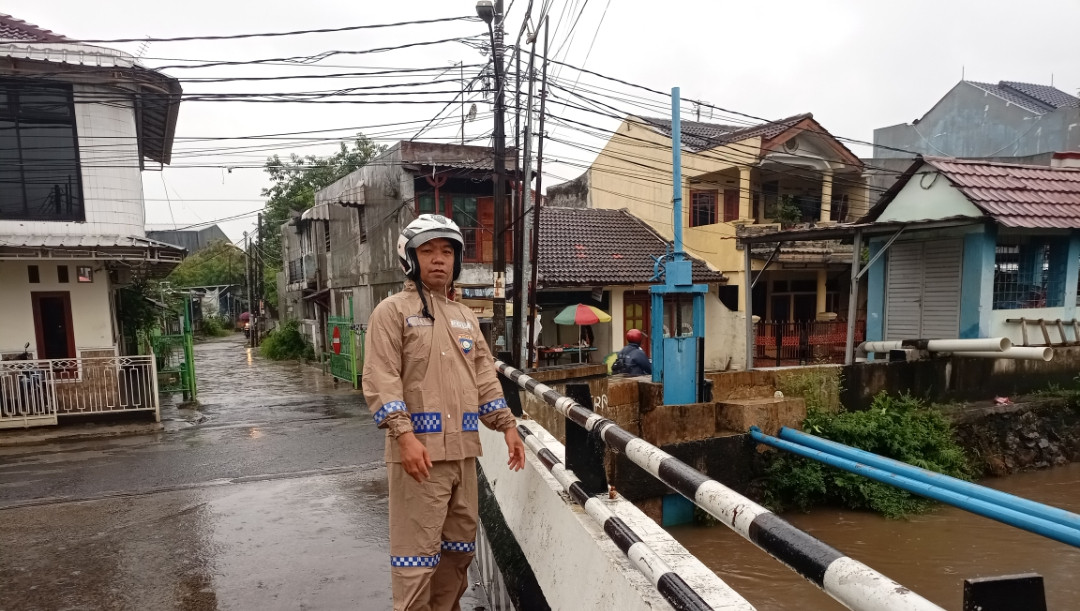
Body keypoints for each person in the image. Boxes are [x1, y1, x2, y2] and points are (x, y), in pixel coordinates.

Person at [363, 214, 526, 611]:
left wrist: (508, 427)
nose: (439, 259)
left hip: (464, 456)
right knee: (416, 559)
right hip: (420, 455)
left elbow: (485, 376)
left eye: (447, 251)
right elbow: (381, 377)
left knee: (458, 551)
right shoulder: (392, 312)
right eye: (429, 251)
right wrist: (404, 436)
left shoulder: (465, 316)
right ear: (411, 258)